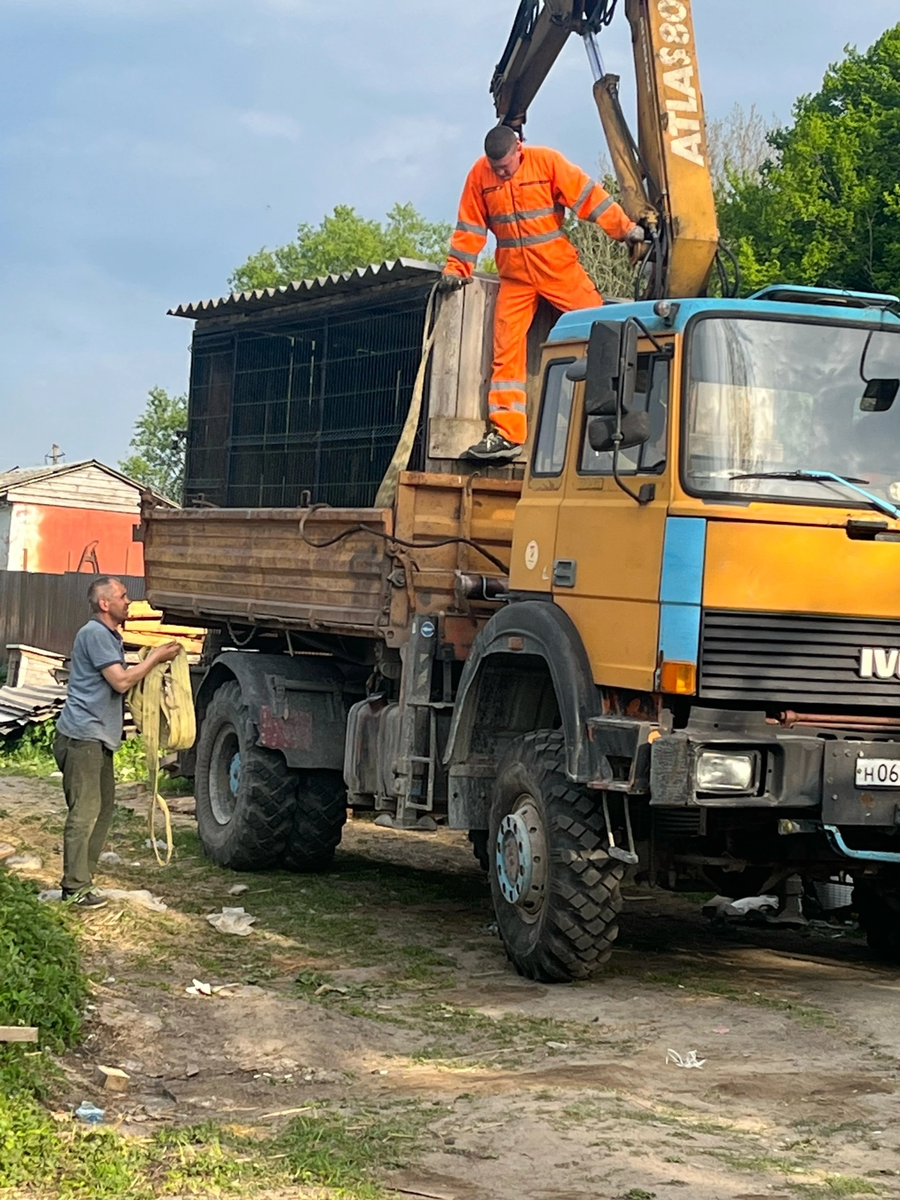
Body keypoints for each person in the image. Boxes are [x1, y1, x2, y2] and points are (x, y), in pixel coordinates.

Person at [442, 124, 644, 462]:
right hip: (515, 276)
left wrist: (626, 230)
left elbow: (588, 198)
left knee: (603, 331)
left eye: (505, 166)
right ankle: (507, 434)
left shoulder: (547, 162)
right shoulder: (479, 175)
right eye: (496, 169)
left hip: (556, 266)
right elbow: (470, 226)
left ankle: (618, 417)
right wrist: (456, 269)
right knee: (505, 349)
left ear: (518, 149)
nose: (501, 173)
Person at [54, 576, 181, 908]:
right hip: (82, 738)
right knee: (84, 812)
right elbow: (121, 681)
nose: (129, 602)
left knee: (103, 808)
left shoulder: (109, 635)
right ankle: (74, 887)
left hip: (99, 739)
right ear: (104, 604)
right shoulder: (95, 634)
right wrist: (154, 659)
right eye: (123, 597)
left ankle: (82, 880)